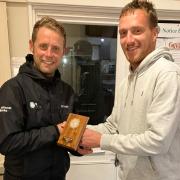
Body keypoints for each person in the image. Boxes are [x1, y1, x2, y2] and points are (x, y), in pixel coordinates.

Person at [79, 1, 180, 180]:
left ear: (155, 33)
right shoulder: (127, 82)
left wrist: (101, 141)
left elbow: (158, 141)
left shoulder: (168, 74)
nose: (129, 40)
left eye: (137, 31)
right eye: (123, 33)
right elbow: (113, 127)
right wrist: (78, 131)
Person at [0, 16, 91, 180]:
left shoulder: (67, 92)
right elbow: (7, 143)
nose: (49, 54)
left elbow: (68, 138)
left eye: (55, 48)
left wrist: (77, 147)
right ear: (31, 46)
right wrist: (55, 131)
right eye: (43, 46)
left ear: (63, 51)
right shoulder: (13, 89)